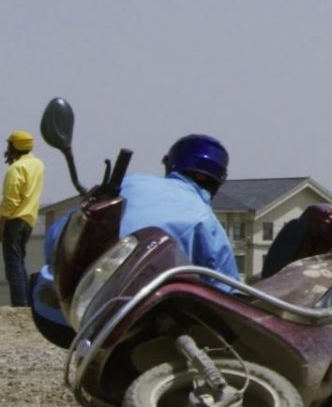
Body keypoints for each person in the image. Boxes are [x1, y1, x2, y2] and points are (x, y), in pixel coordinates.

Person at [31, 133, 236, 349]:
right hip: (135, 329)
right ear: (217, 182)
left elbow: (57, 237)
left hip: (57, 319)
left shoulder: (127, 183)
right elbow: (227, 291)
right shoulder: (205, 219)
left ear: (170, 165)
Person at [3, 131, 45, 306]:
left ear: (14, 147)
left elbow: (11, 200)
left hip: (14, 220)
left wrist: (1, 222)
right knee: (19, 262)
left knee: (13, 265)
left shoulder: (16, 169)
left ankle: (20, 305)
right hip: (29, 221)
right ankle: (26, 304)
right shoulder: (38, 165)